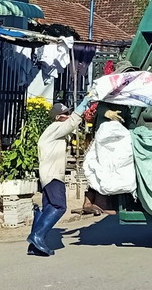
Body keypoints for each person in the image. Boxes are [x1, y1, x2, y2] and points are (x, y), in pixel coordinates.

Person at [27, 95, 94, 257]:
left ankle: (34, 246)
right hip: (53, 175)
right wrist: (84, 105)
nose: (69, 115)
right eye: (66, 113)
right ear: (58, 117)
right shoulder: (55, 126)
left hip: (48, 175)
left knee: (49, 207)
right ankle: (37, 236)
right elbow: (71, 123)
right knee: (59, 206)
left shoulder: (54, 132)